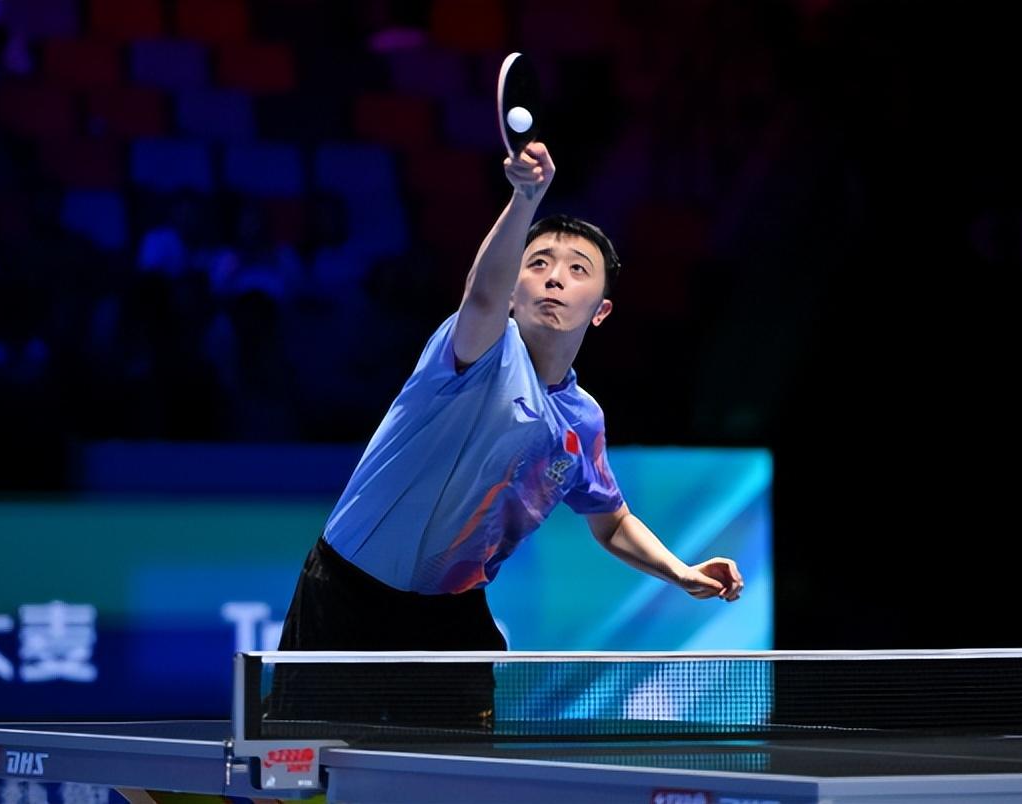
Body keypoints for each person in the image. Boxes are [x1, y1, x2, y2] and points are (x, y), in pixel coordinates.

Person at [271, 143, 743, 728]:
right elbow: (481, 296)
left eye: (578, 270)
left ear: (600, 311)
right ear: (514, 291)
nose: (555, 278)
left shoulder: (582, 419)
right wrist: (524, 198)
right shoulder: (473, 352)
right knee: (303, 765)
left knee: (460, 770)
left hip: (450, 616)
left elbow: (612, 521)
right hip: (349, 596)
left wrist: (681, 571)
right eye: (537, 263)